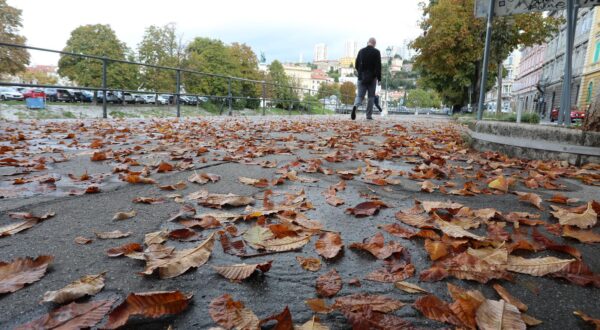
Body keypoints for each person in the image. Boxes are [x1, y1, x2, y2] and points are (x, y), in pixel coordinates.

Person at [351, 37, 382, 120]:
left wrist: (360, 73)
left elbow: (356, 64)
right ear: (374, 44)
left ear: (368, 42)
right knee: (371, 97)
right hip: (372, 78)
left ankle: (355, 106)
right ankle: (368, 116)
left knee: (360, 96)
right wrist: (379, 78)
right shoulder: (376, 52)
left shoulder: (361, 51)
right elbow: (378, 66)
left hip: (361, 77)